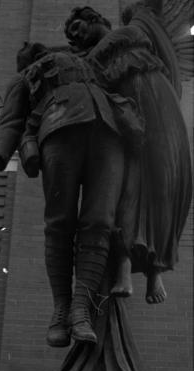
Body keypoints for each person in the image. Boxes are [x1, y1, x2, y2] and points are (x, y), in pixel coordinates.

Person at [0, 42, 145, 346]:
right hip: (58, 129)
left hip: (108, 132)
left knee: (101, 220)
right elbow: (11, 120)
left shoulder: (87, 62)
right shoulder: (24, 78)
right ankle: (61, 309)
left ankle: (81, 309)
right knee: (60, 222)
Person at [64, 2, 192, 304]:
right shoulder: (104, 51)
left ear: (94, 19)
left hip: (157, 107)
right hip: (132, 120)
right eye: (71, 33)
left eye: (77, 26)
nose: (75, 34)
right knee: (130, 187)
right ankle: (126, 262)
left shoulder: (133, 27)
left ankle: (155, 268)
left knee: (161, 183)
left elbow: (113, 44)